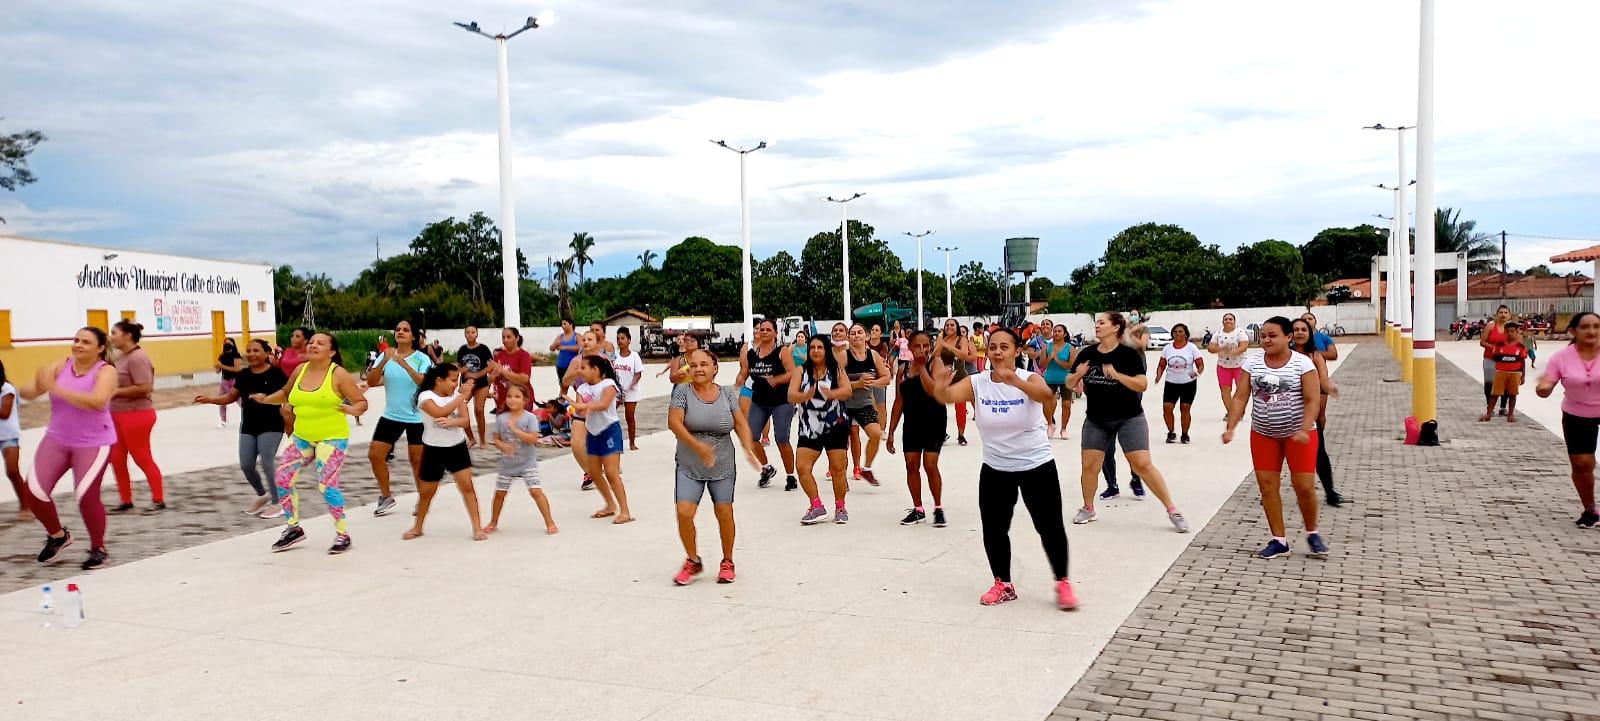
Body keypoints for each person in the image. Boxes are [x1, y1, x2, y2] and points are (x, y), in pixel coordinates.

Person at [930, 328, 1076, 609]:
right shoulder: (978, 382)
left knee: (1050, 527)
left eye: (1004, 347)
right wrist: (939, 385)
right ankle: (1003, 583)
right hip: (996, 467)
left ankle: (1063, 582)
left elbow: (1046, 395)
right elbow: (947, 397)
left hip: (1036, 465)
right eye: (993, 347)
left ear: (1016, 351)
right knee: (994, 529)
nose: (997, 352)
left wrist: (1014, 382)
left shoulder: (1028, 378)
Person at [1065, 312, 1190, 532]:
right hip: (1096, 419)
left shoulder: (1128, 355)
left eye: (1102, 323)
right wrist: (1078, 375)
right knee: (1089, 466)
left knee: (1142, 464)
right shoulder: (1088, 353)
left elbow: (1142, 384)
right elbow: (1068, 381)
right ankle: (1088, 508)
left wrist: (1117, 375)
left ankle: (1173, 510)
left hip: (1129, 417)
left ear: (1115, 327)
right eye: (1096, 323)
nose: (1097, 326)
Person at [251, 332, 368, 554]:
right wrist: (266, 399)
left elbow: (361, 402)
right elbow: (286, 393)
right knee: (282, 479)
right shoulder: (300, 369)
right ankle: (293, 528)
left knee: (326, 484)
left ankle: (343, 535)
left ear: (331, 352)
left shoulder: (338, 374)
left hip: (332, 437)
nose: (313, 345)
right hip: (303, 436)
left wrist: (352, 410)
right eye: (311, 342)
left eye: (320, 343)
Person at [1222, 316, 1327, 560]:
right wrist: (1231, 426)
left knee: (1304, 487)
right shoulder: (1253, 364)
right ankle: (1279, 540)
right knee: (1268, 487)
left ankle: (1312, 532)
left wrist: (1303, 427)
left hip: (1299, 436)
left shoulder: (1303, 364)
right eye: (1264, 336)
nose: (1267, 340)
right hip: (1263, 434)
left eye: (1273, 335)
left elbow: (1312, 400)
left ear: (1289, 338)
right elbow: (1240, 397)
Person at [14, 328, 118, 569]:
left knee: (86, 496)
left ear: (100, 348)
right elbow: (29, 393)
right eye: (76, 340)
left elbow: (97, 401)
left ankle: (98, 548)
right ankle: (58, 536)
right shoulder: (62, 364)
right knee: (33, 492)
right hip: (57, 439)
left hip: (94, 442)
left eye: (85, 342)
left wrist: (56, 388)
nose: (78, 345)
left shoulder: (106, 371)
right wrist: (35, 384)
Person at [669, 348, 761, 585]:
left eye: (704, 364)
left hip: (722, 464)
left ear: (715, 369)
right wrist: (697, 447)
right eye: (694, 365)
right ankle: (693, 561)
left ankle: (727, 561)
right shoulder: (682, 392)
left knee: (724, 512)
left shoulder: (727, 395)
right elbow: (674, 424)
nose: (698, 369)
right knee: (684, 513)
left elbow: (740, 423)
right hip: (689, 463)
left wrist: (747, 448)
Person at [193, 339, 289, 518]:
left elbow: (287, 396)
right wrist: (210, 399)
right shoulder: (244, 375)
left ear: (267, 352)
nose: (251, 354)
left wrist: (280, 409)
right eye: (249, 351)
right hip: (249, 425)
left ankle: (279, 502)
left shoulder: (276, 374)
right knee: (246, 465)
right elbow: (231, 396)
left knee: (267, 462)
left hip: (272, 424)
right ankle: (263, 495)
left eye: (256, 350)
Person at [405, 363, 488, 541]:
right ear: (439, 380)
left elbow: (465, 421)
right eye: (452, 380)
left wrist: (453, 422)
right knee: (427, 492)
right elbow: (439, 412)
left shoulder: (457, 396)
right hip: (433, 449)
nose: (455, 384)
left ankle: (477, 527)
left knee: (467, 487)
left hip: (456, 447)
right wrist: (462, 396)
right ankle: (418, 527)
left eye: (457, 380)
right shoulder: (425, 396)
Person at [1537, 312, 1600, 528]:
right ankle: (1590, 509)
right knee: (1583, 464)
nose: (1591, 332)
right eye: (1585, 327)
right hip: (1577, 414)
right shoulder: (1561, 358)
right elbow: (1547, 383)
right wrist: (1544, 387)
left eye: (1596, 326)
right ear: (1573, 331)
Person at [365, 319, 432, 517]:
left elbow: (424, 381)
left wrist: (404, 364)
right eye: (398, 329)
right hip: (391, 414)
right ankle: (386, 496)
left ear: (413, 336)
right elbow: (370, 380)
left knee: (417, 460)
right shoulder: (385, 355)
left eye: (405, 329)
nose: (400, 332)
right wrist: (385, 360)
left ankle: (423, 499)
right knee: (375, 455)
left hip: (416, 416)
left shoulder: (422, 358)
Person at [789, 335, 854, 524]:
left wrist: (831, 393)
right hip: (810, 427)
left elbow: (847, 390)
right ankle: (817, 506)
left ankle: (840, 506)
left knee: (838, 469)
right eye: (812, 348)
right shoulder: (800, 371)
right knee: (802, 468)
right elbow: (791, 395)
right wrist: (806, 395)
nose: (815, 351)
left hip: (836, 424)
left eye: (820, 347)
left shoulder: (836, 370)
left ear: (826, 350)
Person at [887, 330, 948, 527]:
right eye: (917, 346)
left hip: (934, 421)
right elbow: (899, 401)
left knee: (930, 465)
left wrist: (922, 369)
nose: (922, 349)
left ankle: (938, 508)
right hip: (912, 422)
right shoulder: (902, 371)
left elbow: (933, 391)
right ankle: (918, 508)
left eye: (926, 345)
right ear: (910, 348)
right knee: (911, 465)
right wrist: (891, 431)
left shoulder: (935, 364)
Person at [107, 320, 165, 513]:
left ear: (128, 336)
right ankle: (126, 500)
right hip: (116, 414)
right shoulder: (119, 357)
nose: (111, 337)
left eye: (114, 333)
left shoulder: (137, 358)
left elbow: (145, 387)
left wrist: (115, 391)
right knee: (116, 458)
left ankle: (158, 499)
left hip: (136, 414)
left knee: (141, 457)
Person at [484, 384, 558, 535]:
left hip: (527, 463)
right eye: (509, 396)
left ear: (525, 400)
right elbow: (496, 439)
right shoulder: (501, 418)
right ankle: (493, 522)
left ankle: (550, 522)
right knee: (499, 494)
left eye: (517, 397)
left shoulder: (530, 418)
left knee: (536, 491)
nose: (512, 399)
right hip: (507, 463)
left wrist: (515, 429)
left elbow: (532, 439)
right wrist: (503, 446)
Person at [737, 318, 799, 491]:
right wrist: (740, 378)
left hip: (781, 402)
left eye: (767, 329)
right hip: (759, 401)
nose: (763, 332)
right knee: (751, 437)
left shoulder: (782, 351)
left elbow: (792, 373)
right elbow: (745, 371)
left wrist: (777, 380)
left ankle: (790, 475)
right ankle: (767, 468)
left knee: (782, 439)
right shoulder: (752, 353)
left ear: (775, 333)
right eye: (761, 329)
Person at [1289, 318, 1345, 506]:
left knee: (1319, 452)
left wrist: (1331, 388)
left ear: (1309, 333)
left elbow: (1323, 380)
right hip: (1285, 411)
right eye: (1295, 329)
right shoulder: (1283, 354)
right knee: (1282, 454)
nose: (1299, 332)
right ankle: (1270, 492)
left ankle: (1330, 492)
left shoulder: (1315, 356)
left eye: (1303, 329)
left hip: (1308, 413)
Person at [575, 354, 633, 523]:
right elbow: (580, 410)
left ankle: (625, 510)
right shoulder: (582, 388)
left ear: (596, 369)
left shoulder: (608, 384)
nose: (580, 371)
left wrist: (584, 406)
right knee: (593, 472)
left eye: (583, 368)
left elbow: (603, 404)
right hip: (592, 432)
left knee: (611, 473)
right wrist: (577, 407)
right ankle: (610, 505)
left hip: (609, 431)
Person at [844, 323, 890, 485]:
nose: (856, 335)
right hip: (844, 404)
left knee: (876, 434)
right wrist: (857, 384)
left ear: (866, 336)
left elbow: (886, 377)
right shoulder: (844, 356)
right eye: (853, 333)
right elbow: (835, 383)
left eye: (860, 332)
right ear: (848, 338)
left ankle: (867, 469)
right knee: (842, 443)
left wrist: (873, 383)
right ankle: (841, 476)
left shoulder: (874, 355)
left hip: (865, 403)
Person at [1155, 323, 1204, 444]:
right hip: (1171, 383)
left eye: (1180, 331)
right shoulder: (1167, 348)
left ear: (1186, 334)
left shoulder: (1191, 348)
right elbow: (1161, 365)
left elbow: (1200, 364)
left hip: (1188, 383)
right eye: (1175, 331)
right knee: (1167, 408)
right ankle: (1171, 432)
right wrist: (1158, 376)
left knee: (1185, 408)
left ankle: (1185, 434)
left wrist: (1197, 373)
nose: (1177, 333)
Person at [937, 318, 977, 445]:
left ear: (957, 327)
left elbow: (964, 355)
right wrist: (940, 345)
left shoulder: (962, 340)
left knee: (960, 407)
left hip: (959, 375)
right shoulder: (941, 340)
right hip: (944, 377)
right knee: (939, 406)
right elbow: (935, 355)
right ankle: (941, 433)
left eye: (952, 325)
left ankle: (961, 434)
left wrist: (949, 346)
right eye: (947, 325)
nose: (949, 327)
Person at [456, 325, 496, 448]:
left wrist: (476, 375)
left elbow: (491, 366)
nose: (470, 334)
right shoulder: (462, 349)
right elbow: (458, 367)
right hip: (467, 384)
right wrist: (464, 371)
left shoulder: (483, 349)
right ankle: (471, 438)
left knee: (479, 410)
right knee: (461, 408)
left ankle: (483, 440)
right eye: (468, 332)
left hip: (481, 384)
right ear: (465, 334)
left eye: (473, 332)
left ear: (477, 334)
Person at [1483, 322, 1530, 424]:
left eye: (1512, 331)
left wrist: (1523, 376)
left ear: (1517, 332)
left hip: (1515, 373)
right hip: (1500, 373)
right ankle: (1489, 414)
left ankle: (1510, 414)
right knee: (1494, 394)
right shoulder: (1499, 345)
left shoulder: (1520, 346)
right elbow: (1495, 357)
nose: (1509, 333)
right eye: (1507, 331)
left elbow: (1522, 361)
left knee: (1512, 394)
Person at [1208, 313, 1251, 417]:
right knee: (1225, 391)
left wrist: (1232, 352)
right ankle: (1232, 412)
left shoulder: (1240, 332)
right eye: (1226, 319)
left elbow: (1244, 346)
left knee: (1241, 390)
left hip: (1239, 366)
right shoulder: (1217, 334)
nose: (1228, 321)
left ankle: (1239, 410)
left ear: (1234, 321)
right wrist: (1221, 349)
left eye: (1230, 319)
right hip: (1223, 366)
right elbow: (1211, 348)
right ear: (1222, 322)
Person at [0, 359, 27, 522]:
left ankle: (25, 506)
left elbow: (4, 413)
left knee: (12, 471)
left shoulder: (7, 389)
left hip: (8, 435)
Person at [613, 327, 645, 451]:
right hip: (615, 391)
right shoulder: (614, 355)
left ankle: (632, 442)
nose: (620, 341)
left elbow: (638, 374)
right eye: (618, 339)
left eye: (623, 338)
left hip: (630, 392)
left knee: (629, 417)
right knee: (609, 414)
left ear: (629, 340)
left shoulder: (634, 356)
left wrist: (631, 385)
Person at [490, 327, 534, 417]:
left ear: (517, 338)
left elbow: (524, 378)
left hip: (521, 400)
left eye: (508, 337)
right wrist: (493, 375)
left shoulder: (523, 355)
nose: (505, 340)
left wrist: (502, 371)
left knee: (520, 429)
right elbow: (491, 379)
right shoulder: (499, 356)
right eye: (503, 337)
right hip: (503, 400)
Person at [1042, 323, 1075, 439]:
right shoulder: (1047, 347)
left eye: (1059, 331)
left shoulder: (1070, 348)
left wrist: (1057, 359)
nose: (1056, 333)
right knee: (1046, 402)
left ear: (1064, 334)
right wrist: (1049, 358)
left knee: (1066, 405)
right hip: (1050, 378)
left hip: (1065, 379)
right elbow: (1042, 364)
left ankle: (1064, 429)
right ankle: (1050, 424)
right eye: (1055, 331)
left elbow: (1071, 366)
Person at [1481, 305, 1514, 416]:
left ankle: (1503, 407)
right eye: (1501, 312)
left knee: (1505, 384)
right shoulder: (1490, 327)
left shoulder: (1513, 329)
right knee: (1489, 383)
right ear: (1497, 314)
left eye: (1506, 312)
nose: (1503, 315)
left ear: (1509, 315)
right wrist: (1494, 348)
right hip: (1490, 358)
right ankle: (1489, 406)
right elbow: (1483, 342)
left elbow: (1517, 342)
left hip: (1506, 360)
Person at [215, 338, 244, 428]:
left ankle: (249, 418)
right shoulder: (222, 356)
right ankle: (223, 421)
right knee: (222, 401)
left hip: (235, 380)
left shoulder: (236, 356)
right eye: (225, 343)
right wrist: (217, 367)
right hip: (225, 380)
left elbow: (237, 369)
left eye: (229, 343)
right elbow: (218, 370)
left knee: (239, 400)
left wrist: (222, 366)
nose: (226, 345)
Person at [551, 319, 581, 396]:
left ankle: (580, 402)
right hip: (561, 365)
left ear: (571, 324)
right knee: (563, 386)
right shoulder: (560, 337)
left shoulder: (577, 336)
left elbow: (580, 347)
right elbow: (551, 348)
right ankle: (561, 404)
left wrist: (565, 347)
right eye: (562, 324)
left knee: (578, 386)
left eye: (565, 324)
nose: (563, 326)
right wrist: (555, 344)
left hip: (574, 366)